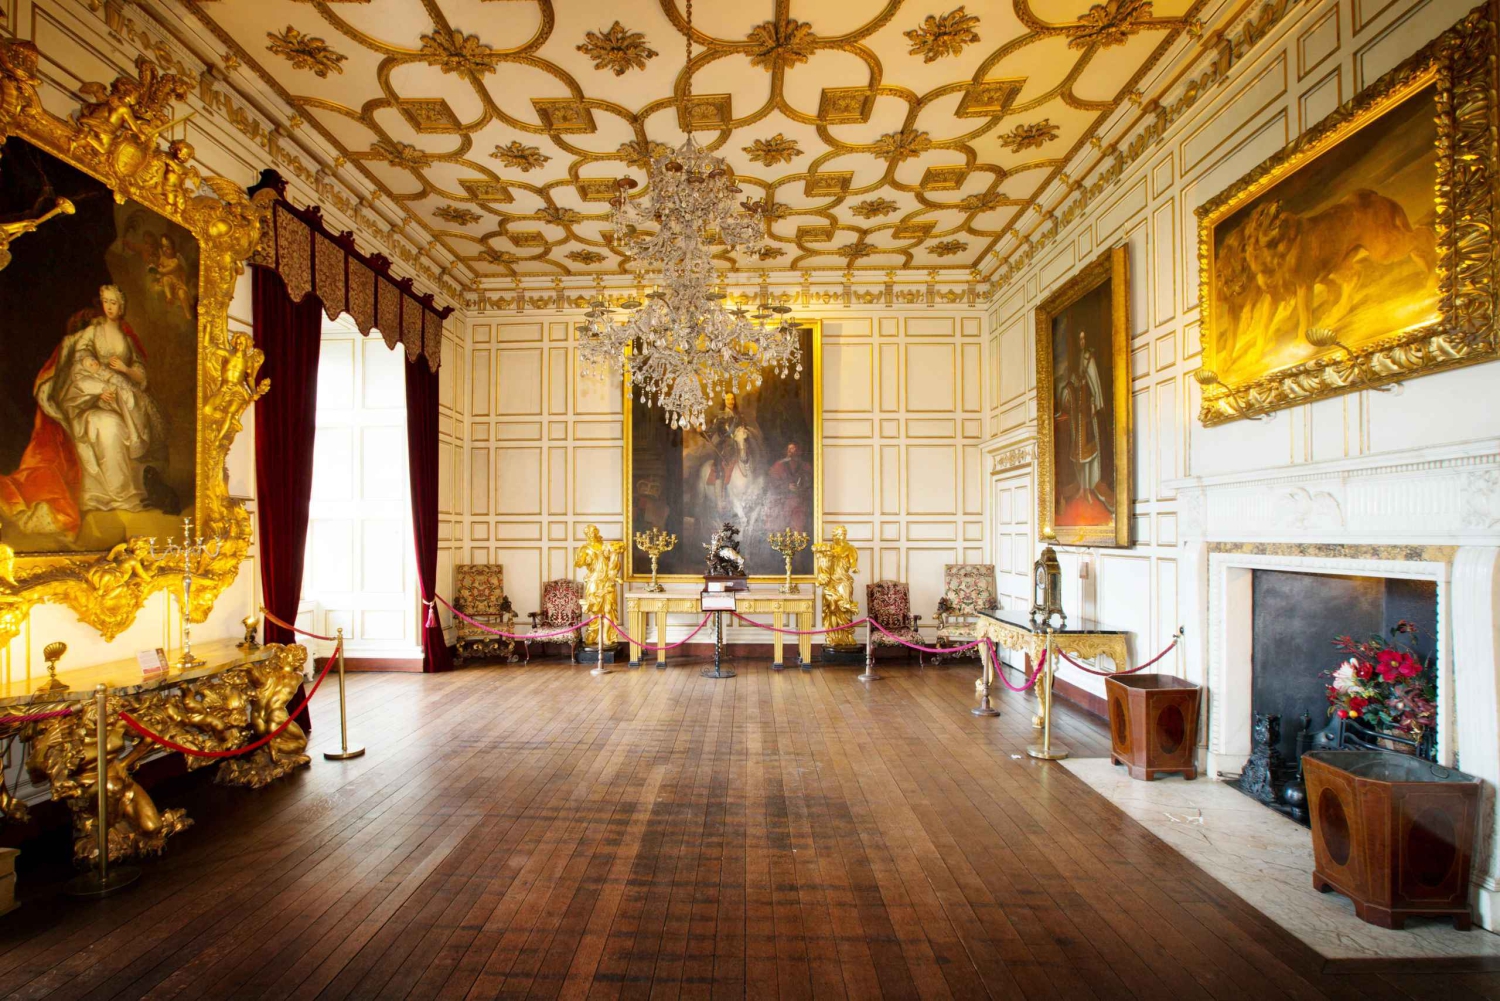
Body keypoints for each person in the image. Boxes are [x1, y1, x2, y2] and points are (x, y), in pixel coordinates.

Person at [0, 284, 165, 539]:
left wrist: (124, 371)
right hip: (87, 406)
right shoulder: (85, 340)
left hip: (124, 400)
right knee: (105, 425)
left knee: (119, 423)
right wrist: (98, 391)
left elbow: (140, 375)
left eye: (113, 303)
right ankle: (106, 496)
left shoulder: (126, 340)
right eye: (105, 302)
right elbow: (76, 374)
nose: (109, 307)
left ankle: (127, 494)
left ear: (121, 306)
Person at [1055, 328, 1114, 514]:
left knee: (1089, 455)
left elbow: (1094, 385)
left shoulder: (1088, 357)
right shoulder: (1077, 361)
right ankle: (1082, 488)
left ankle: (1089, 489)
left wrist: (1094, 403)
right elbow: (1073, 383)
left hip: (1088, 416)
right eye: (1079, 339)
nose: (1081, 342)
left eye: (1083, 339)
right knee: (1079, 456)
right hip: (1079, 418)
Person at [764, 441, 811, 534]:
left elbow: (809, 481)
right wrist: (787, 486)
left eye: (793, 449)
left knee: (798, 528)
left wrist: (800, 486)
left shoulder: (805, 466)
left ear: (798, 451)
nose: (791, 451)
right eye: (789, 449)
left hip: (799, 504)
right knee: (780, 528)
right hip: (782, 503)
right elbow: (772, 482)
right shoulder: (778, 465)